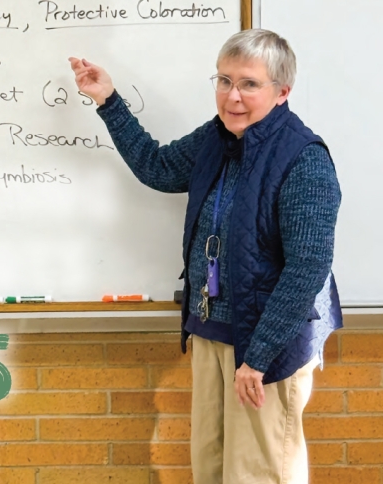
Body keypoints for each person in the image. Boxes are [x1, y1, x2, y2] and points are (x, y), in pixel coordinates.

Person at [70, 29, 342, 483]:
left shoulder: (303, 159)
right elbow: (158, 167)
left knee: (258, 474)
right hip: (212, 331)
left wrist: (258, 358)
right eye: (224, 80)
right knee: (212, 469)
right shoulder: (218, 137)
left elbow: (307, 269)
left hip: (265, 346)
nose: (233, 96)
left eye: (249, 84)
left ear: (282, 92)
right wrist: (108, 100)